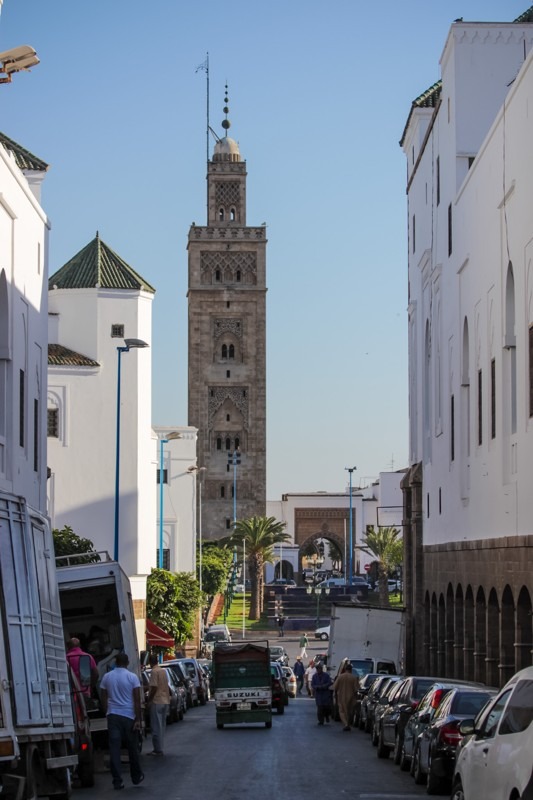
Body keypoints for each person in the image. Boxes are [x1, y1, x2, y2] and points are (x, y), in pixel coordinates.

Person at [100, 652, 144, 790]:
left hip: (113, 715)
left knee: (114, 749)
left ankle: (117, 780)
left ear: (115, 662)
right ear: (128, 662)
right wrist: (138, 718)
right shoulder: (132, 677)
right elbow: (137, 699)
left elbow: (103, 697)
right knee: (132, 748)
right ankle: (136, 776)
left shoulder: (107, 677)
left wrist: (107, 711)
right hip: (129, 716)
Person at [146, 653, 170, 756]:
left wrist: (149, 700)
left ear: (150, 662)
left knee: (155, 726)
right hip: (165, 700)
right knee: (162, 726)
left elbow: (154, 687)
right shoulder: (163, 671)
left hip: (157, 701)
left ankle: (157, 749)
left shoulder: (154, 672)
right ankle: (160, 747)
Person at [331, 662, 360, 731]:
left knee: (342, 711)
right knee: (349, 711)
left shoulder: (340, 677)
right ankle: (348, 723)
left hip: (341, 696)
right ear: (351, 670)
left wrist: (335, 695)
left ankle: (346, 724)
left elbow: (335, 687)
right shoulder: (354, 678)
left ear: (345, 669)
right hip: (351, 697)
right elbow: (357, 689)